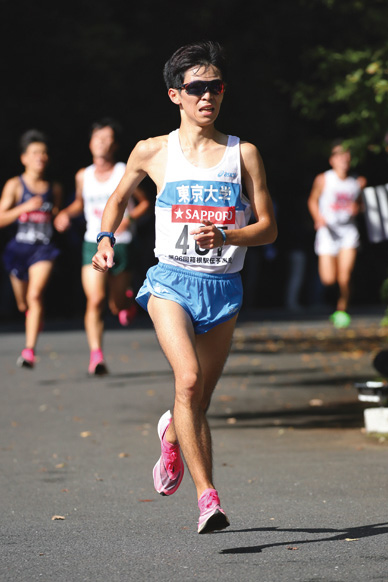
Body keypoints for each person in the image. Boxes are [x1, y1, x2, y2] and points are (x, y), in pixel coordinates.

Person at [92, 41, 277, 533]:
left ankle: (172, 434)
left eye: (215, 87)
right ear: (175, 94)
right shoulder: (153, 151)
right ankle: (207, 498)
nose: (207, 96)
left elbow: (269, 229)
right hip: (171, 280)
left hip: (223, 286)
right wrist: (106, 240)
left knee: (196, 403)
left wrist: (228, 235)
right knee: (189, 380)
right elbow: (115, 200)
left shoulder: (244, 154)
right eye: (196, 88)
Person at [54, 118, 150, 375]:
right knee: (95, 299)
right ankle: (96, 355)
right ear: (90, 143)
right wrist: (65, 213)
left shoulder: (123, 171)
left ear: (115, 145)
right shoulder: (82, 175)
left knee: (115, 305)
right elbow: (79, 204)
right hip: (92, 243)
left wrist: (128, 221)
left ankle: (125, 303)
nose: (101, 143)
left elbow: (143, 203)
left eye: (107, 139)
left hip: (122, 244)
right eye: (97, 138)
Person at [0, 130, 63, 368]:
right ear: (24, 158)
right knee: (23, 303)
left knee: (35, 295)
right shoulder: (15, 185)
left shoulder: (52, 187)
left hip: (43, 250)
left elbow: (56, 216)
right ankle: (32, 317)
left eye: (44, 153)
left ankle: (29, 351)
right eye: (35, 153)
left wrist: (61, 218)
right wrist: (24, 207)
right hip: (18, 250)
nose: (41, 157)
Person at [308, 140, 366, 328]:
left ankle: (342, 310)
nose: (344, 158)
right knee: (328, 278)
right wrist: (318, 218)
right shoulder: (323, 179)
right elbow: (312, 200)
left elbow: (361, 206)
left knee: (345, 275)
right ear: (332, 160)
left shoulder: (357, 182)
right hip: (327, 233)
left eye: (346, 155)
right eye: (339, 155)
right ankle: (337, 303)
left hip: (348, 232)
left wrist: (357, 208)